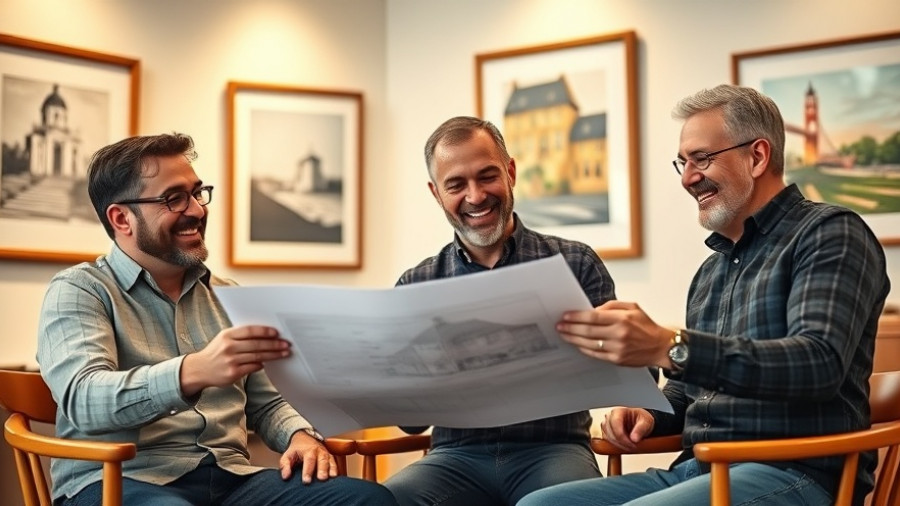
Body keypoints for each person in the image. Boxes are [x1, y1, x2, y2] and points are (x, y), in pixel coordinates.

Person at [518, 84, 891, 506]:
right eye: (683, 162)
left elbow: (817, 364)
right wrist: (649, 415)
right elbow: (692, 393)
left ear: (757, 157)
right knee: (537, 504)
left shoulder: (830, 234)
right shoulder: (710, 272)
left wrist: (669, 345)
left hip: (796, 471)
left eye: (702, 159)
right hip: (702, 469)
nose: (687, 178)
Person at [36, 133, 397, 506]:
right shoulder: (79, 290)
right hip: (120, 480)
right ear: (121, 218)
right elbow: (83, 399)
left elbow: (267, 402)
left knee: (367, 499)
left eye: (197, 193)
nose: (196, 210)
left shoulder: (228, 295)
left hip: (230, 479)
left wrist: (299, 435)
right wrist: (192, 372)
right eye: (174, 198)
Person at [382, 116, 617, 506]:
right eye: (456, 185)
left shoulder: (575, 263)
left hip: (554, 449)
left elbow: (634, 368)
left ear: (510, 173)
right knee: (381, 501)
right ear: (436, 194)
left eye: (487, 176)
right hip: (454, 457)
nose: (475, 196)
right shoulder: (416, 284)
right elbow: (410, 423)